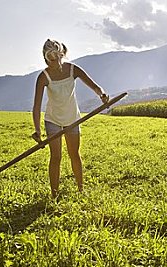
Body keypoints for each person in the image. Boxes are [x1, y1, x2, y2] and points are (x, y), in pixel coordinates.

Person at [32, 39, 109, 198]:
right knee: (56, 157)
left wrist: (102, 94)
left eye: (56, 58)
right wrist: (38, 130)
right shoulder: (43, 77)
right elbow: (37, 107)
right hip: (53, 119)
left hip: (73, 118)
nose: (53, 63)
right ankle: (54, 195)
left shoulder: (74, 69)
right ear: (45, 58)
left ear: (62, 54)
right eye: (50, 59)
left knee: (74, 153)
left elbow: (95, 86)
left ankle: (81, 190)